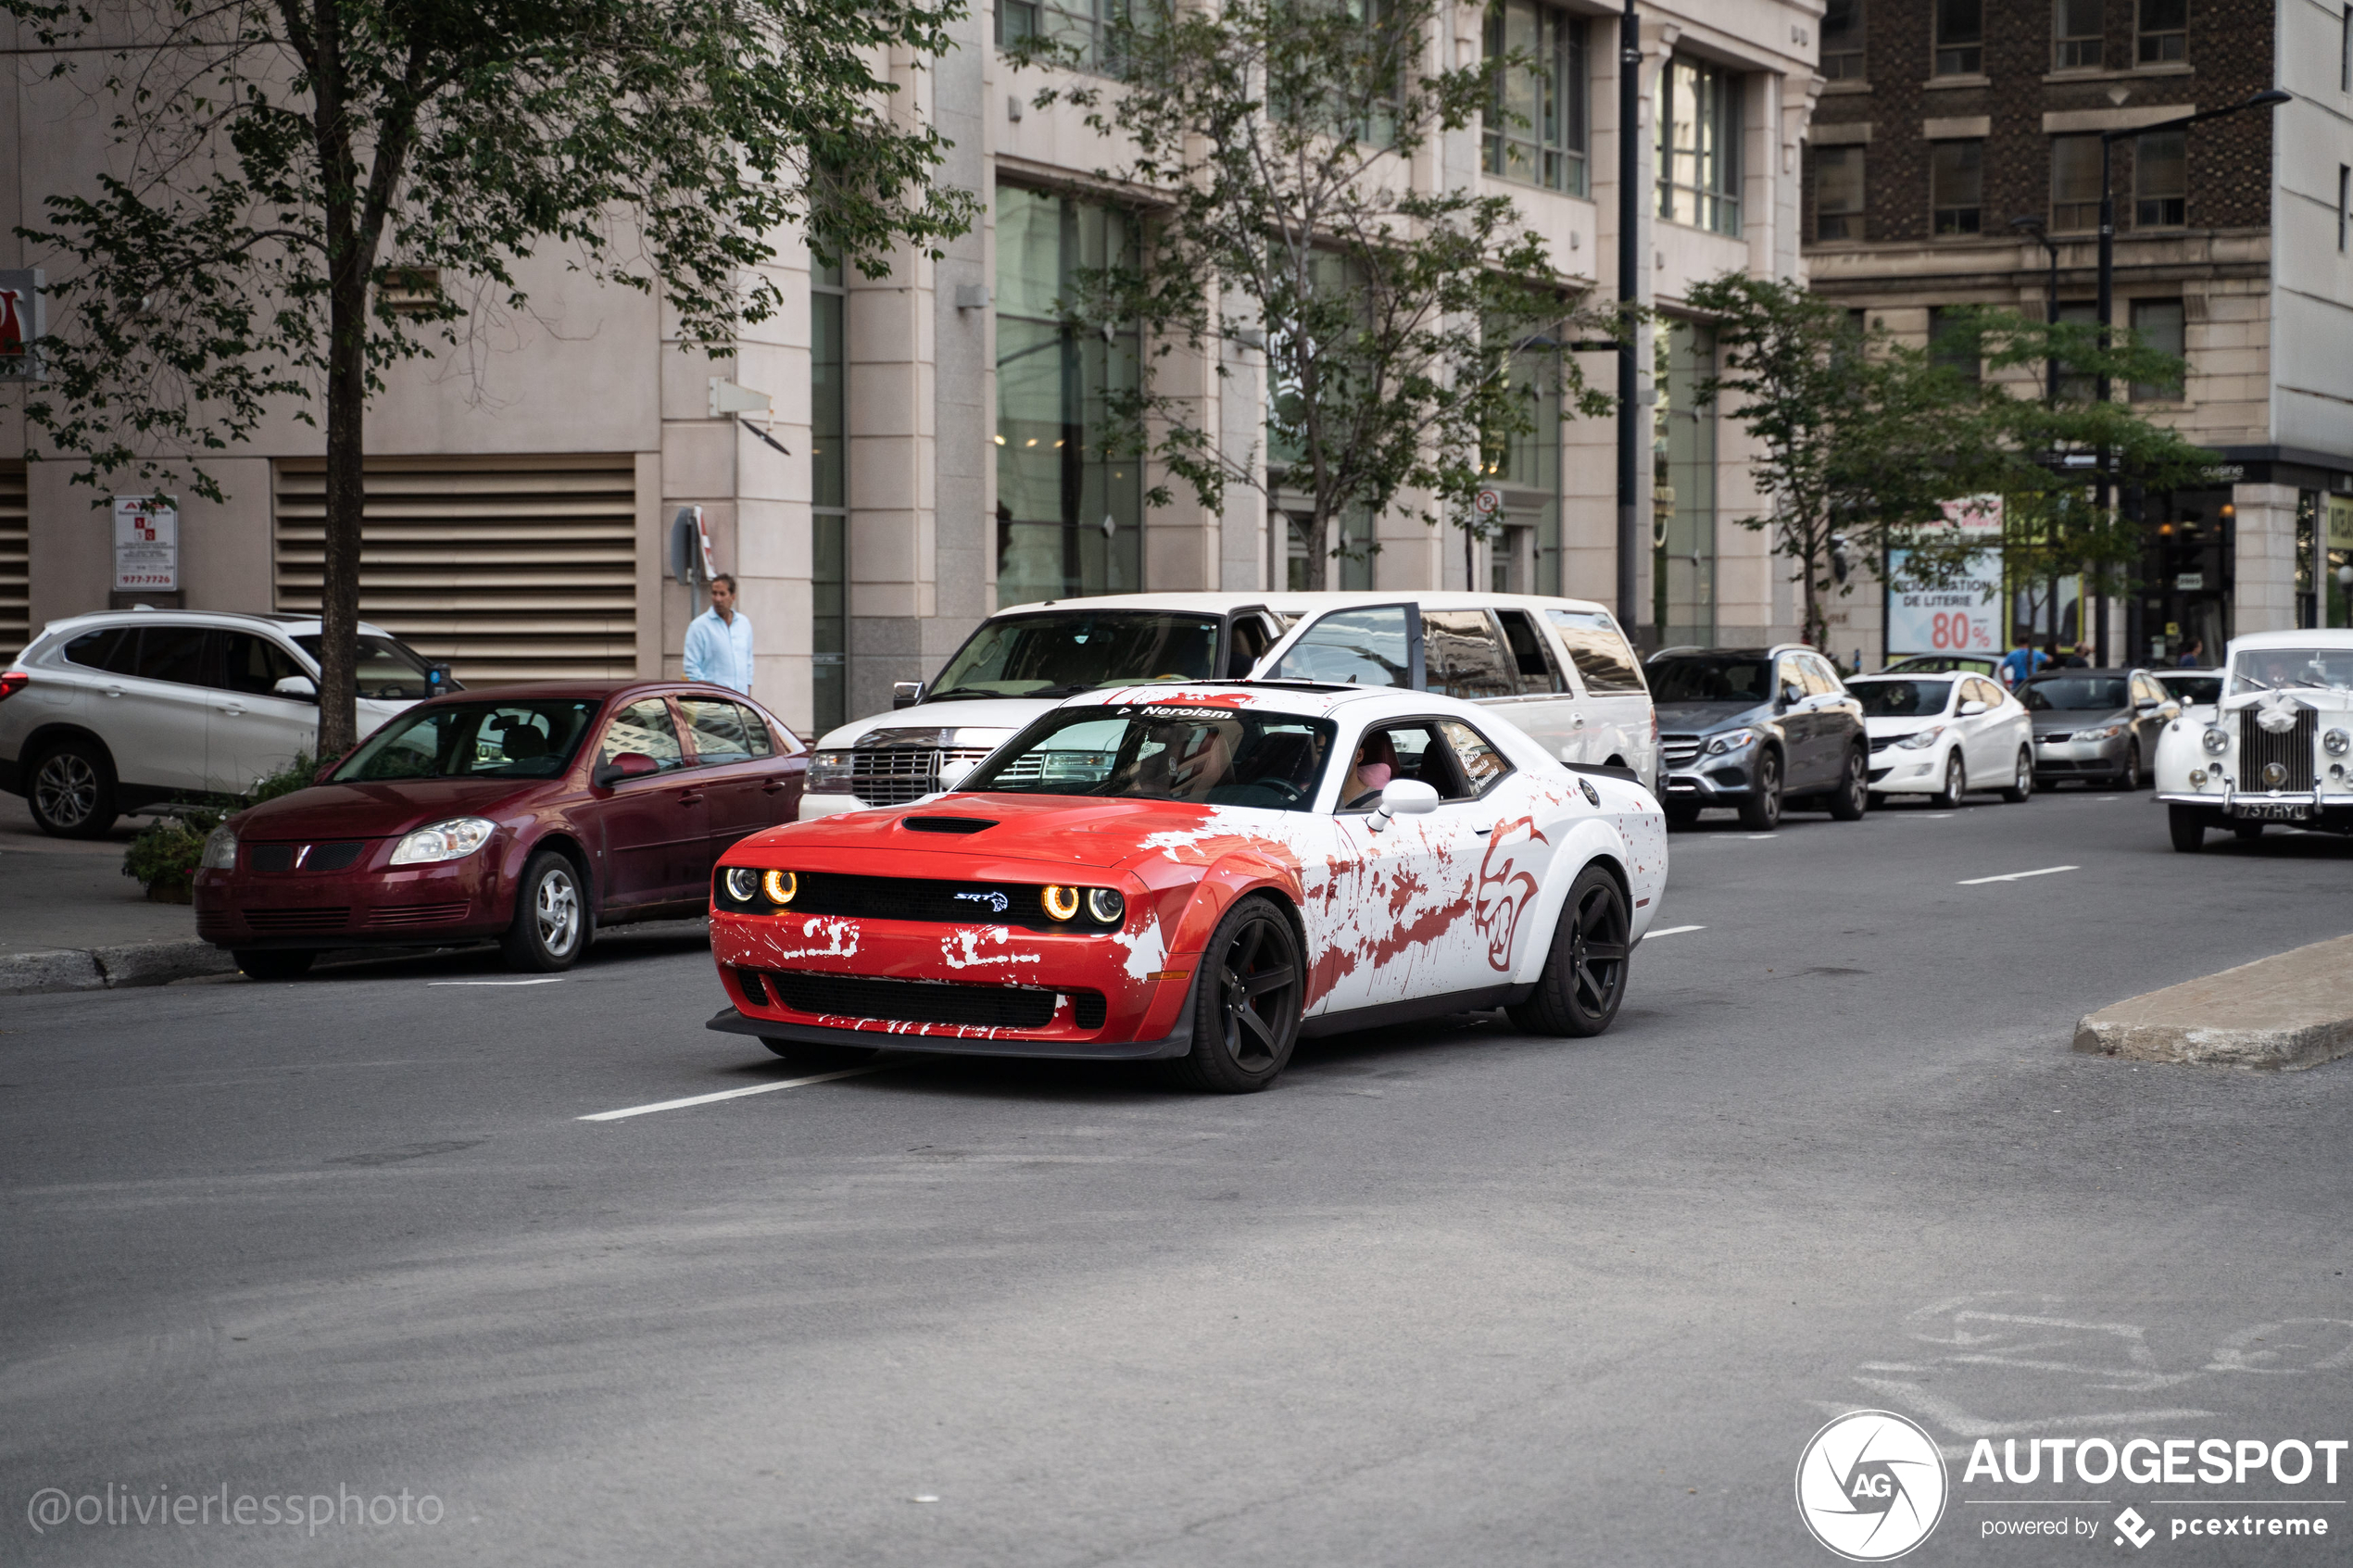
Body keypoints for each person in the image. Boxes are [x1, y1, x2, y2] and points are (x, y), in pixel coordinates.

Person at [683, 573, 754, 695]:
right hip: (714, 707)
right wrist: (708, 696)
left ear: (733, 597)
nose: (718, 599)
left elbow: (748, 663)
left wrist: (747, 694)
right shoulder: (699, 626)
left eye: (722, 594)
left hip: (740, 703)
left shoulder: (744, 624)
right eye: (714, 593)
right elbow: (691, 667)